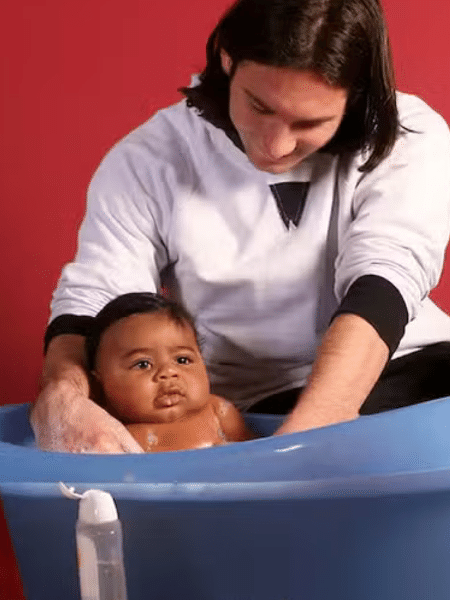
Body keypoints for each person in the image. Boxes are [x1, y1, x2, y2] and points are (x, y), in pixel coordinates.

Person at [31, 0, 450, 453]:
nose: (276, 145)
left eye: (310, 122)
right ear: (228, 59)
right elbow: (99, 297)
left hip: (412, 372)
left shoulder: (413, 135)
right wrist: (64, 396)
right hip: (255, 403)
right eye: (259, 106)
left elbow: (386, 279)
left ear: (355, 98)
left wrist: (307, 442)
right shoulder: (150, 158)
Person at [86, 292, 254, 452]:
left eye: (182, 360)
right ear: (99, 383)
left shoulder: (219, 413)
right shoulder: (110, 434)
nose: (168, 372)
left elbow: (256, 457)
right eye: (143, 364)